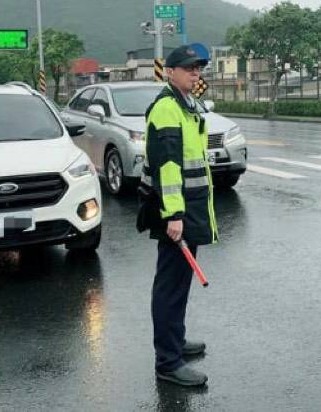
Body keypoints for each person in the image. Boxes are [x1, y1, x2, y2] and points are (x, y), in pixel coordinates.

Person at [137, 45, 218, 387]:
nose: (195, 72)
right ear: (170, 72)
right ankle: (168, 362)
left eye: (198, 67)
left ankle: (176, 341)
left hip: (189, 208)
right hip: (176, 213)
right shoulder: (167, 109)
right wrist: (174, 215)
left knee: (180, 283)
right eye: (188, 68)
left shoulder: (186, 106)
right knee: (170, 287)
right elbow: (168, 166)